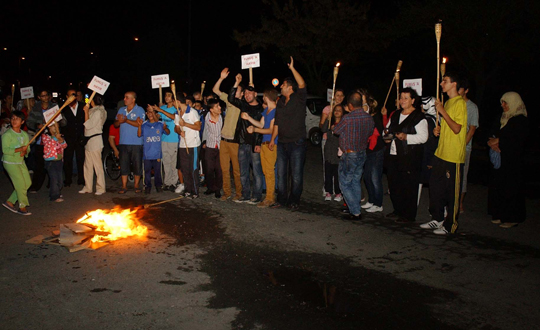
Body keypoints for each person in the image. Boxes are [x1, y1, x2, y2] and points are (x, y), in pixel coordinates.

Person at [420, 72, 467, 235]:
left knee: (451, 192)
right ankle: (437, 218)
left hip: (453, 156)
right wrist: (438, 129)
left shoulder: (459, 103)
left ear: (454, 84)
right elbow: (449, 126)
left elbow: (457, 128)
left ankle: (450, 225)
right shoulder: (447, 103)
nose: (441, 84)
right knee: (435, 187)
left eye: (445, 81)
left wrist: (442, 112)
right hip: (441, 153)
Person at [384, 88, 428, 223]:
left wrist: (406, 137)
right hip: (393, 154)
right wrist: (386, 136)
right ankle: (398, 210)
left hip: (409, 156)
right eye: (401, 97)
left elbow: (424, 137)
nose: (402, 100)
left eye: (406, 98)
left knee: (408, 186)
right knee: (394, 184)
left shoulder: (418, 117)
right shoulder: (396, 114)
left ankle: (408, 215)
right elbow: (387, 129)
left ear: (413, 100)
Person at [270, 56, 307, 210]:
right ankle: (282, 200)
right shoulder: (280, 102)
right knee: (281, 174)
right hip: (282, 142)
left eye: (283, 85)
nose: (281, 87)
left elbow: (302, 84)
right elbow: (277, 122)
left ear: (290, 87)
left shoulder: (299, 98)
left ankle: (294, 200)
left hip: (297, 142)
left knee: (296, 175)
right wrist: (273, 139)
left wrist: (292, 68)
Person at [487, 92, 529, 228]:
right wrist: (492, 142)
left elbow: (517, 140)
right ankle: (499, 214)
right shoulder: (501, 117)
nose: (503, 105)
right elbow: (491, 133)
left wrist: (500, 141)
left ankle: (512, 217)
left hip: (513, 162)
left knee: (511, 187)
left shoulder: (520, 120)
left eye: (506, 102)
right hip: (500, 159)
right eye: (502, 102)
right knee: (499, 186)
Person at [332, 92, 374, 220]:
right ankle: (354, 207)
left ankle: (355, 211)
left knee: (345, 183)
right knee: (355, 181)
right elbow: (370, 131)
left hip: (350, 154)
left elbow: (336, 131)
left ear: (350, 105)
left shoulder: (348, 118)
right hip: (362, 152)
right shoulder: (368, 118)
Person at [229, 75, 264, 204]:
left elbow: (262, 126)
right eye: (246, 93)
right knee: (243, 171)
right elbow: (231, 98)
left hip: (254, 143)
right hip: (243, 142)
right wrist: (236, 82)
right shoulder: (243, 105)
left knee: (256, 171)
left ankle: (257, 195)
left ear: (255, 93)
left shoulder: (261, 108)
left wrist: (259, 143)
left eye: (250, 93)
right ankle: (245, 194)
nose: (248, 95)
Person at [243, 88, 279, 207]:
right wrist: (249, 119)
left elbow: (270, 129)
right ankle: (269, 196)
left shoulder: (275, 111)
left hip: (270, 144)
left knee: (269, 172)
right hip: (264, 143)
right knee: (266, 171)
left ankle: (270, 197)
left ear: (266, 97)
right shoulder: (267, 111)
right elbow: (261, 124)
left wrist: (255, 130)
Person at [212, 68, 243, 201]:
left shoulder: (242, 105)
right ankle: (227, 192)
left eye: (238, 91)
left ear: (242, 95)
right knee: (224, 169)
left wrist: (238, 83)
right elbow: (215, 90)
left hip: (235, 142)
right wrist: (221, 78)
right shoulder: (229, 101)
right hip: (223, 141)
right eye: (234, 90)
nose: (235, 92)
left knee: (236, 171)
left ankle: (239, 193)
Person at [27, 90, 60, 192]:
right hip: (40, 141)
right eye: (42, 96)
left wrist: (55, 123)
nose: (45, 97)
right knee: (39, 165)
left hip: (52, 141)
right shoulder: (36, 108)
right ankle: (36, 185)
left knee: (52, 164)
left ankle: (53, 185)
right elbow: (29, 122)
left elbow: (63, 121)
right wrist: (38, 125)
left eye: (46, 95)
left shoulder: (54, 107)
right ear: (39, 97)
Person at [115, 91, 145, 194]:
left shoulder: (140, 110)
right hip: (123, 142)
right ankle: (124, 186)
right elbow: (115, 124)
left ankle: (136, 185)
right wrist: (119, 121)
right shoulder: (121, 110)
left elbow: (139, 124)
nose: (124, 99)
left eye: (127, 97)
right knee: (124, 164)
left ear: (133, 99)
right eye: (124, 97)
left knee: (137, 165)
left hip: (136, 142)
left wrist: (126, 120)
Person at [359, 89, 385, 213]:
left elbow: (378, 132)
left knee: (375, 177)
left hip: (376, 150)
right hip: (368, 150)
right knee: (367, 176)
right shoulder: (365, 115)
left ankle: (378, 204)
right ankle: (372, 200)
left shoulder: (374, 116)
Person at [1, 111, 32, 215]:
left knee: (27, 183)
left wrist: (25, 151)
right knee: (20, 184)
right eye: (13, 118)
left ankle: (10, 201)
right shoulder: (7, 135)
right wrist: (19, 149)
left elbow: (27, 150)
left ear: (22, 122)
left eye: (17, 119)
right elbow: (5, 150)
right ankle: (22, 206)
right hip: (9, 162)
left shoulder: (24, 135)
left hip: (20, 162)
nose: (14, 120)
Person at [458, 80, 479, 213]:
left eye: (460, 89)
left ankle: (460, 203)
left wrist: (462, 145)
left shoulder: (472, 107)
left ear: (466, 90)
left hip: (463, 147)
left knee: (462, 175)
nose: (458, 91)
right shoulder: (453, 103)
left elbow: (472, 129)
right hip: (451, 146)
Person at [152, 91, 180, 192]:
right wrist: (154, 112)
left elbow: (174, 117)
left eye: (169, 96)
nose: (166, 97)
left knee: (174, 162)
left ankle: (174, 182)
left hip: (174, 139)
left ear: (173, 98)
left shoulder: (176, 108)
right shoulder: (162, 108)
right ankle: (167, 182)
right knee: (166, 162)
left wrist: (160, 110)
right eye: (165, 95)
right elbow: (156, 120)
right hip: (164, 139)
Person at [137, 106, 170, 194]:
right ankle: (147, 186)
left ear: (155, 114)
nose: (150, 114)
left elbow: (167, 132)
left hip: (157, 153)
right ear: (146, 114)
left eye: (152, 112)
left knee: (158, 171)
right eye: (149, 112)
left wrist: (165, 128)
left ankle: (158, 185)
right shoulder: (144, 124)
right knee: (147, 171)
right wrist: (139, 126)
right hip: (147, 153)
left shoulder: (159, 124)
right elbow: (139, 135)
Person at [319, 89, 345, 196]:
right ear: (333, 97)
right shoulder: (328, 109)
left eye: (341, 96)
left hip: (339, 141)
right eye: (337, 95)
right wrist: (328, 119)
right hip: (328, 139)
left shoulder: (344, 110)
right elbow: (321, 125)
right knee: (328, 164)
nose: (339, 98)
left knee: (338, 166)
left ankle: (337, 189)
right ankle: (327, 188)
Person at [79, 95, 107, 195]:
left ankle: (100, 188)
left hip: (95, 140)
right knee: (87, 165)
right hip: (89, 140)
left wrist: (86, 112)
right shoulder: (94, 110)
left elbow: (88, 125)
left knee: (97, 166)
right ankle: (88, 186)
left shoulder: (99, 111)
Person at [174, 95, 201, 198]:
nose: (173, 104)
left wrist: (185, 124)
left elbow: (198, 127)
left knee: (193, 168)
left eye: (174, 101)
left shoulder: (192, 112)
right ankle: (188, 190)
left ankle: (195, 191)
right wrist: (180, 131)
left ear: (178, 101)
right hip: (182, 144)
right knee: (185, 168)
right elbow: (176, 128)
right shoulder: (177, 113)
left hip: (193, 144)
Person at [61, 89, 86, 187]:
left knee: (81, 159)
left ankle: (81, 179)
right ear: (67, 97)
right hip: (68, 138)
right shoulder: (63, 108)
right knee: (68, 159)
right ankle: (68, 179)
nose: (72, 97)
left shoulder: (83, 106)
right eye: (70, 95)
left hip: (80, 137)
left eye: (74, 95)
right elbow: (61, 123)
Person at [201, 99, 223, 198]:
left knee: (218, 169)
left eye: (219, 105)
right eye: (217, 106)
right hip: (210, 146)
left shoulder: (222, 117)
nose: (219, 108)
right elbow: (205, 130)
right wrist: (204, 141)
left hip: (220, 146)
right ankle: (210, 187)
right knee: (209, 169)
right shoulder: (207, 117)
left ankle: (218, 189)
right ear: (211, 109)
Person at [42, 122, 67, 202]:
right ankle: (54, 196)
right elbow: (48, 145)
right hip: (51, 162)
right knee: (54, 179)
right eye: (52, 126)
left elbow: (65, 146)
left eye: (56, 126)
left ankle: (57, 192)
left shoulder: (59, 136)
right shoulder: (46, 136)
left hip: (59, 161)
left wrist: (62, 141)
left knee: (60, 179)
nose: (55, 128)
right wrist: (55, 138)